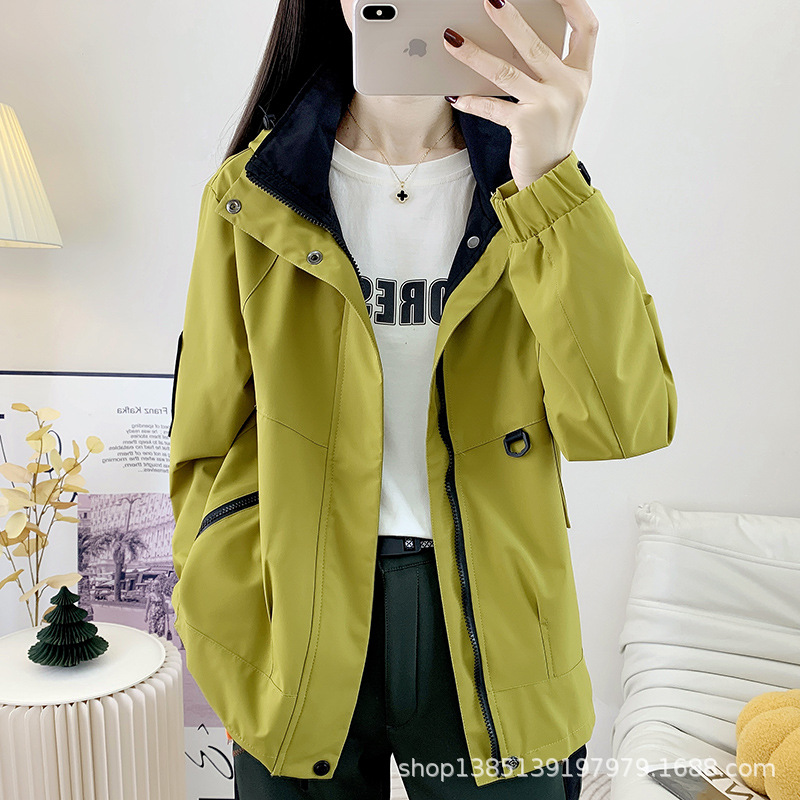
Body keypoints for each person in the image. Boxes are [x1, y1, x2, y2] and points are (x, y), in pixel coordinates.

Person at [168, 0, 677, 797]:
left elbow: (626, 422)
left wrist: (551, 181)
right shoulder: (252, 195)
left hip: (498, 627)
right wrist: (229, 626)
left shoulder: (531, 190)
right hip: (295, 624)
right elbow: (205, 440)